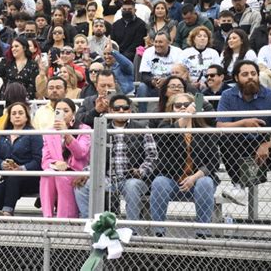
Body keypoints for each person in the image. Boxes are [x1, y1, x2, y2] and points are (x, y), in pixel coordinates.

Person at [74, 94, 157, 224]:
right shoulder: (101, 130)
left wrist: (140, 171)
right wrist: (87, 173)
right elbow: (94, 158)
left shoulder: (142, 128)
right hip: (108, 178)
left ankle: (132, 229)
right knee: (82, 186)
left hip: (134, 179)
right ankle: (90, 226)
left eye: (125, 108)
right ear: (110, 110)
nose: (121, 111)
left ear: (130, 110)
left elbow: (152, 156)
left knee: (132, 186)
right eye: (117, 108)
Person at [151, 92, 219, 238]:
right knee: (159, 182)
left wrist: (194, 177)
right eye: (178, 106)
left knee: (206, 182)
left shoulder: (204, 130)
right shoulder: (165, 126)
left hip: (197, 181)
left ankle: (202, 234)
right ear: (172, 109)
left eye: (186, 105)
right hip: (173, 180)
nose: (182, 107)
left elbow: (213, 162)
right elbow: (165, 138)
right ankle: (158, 233)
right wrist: (186, 116)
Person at [217, 60, 271, 207]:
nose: (250, 77)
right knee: (225, 138)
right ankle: (238, 187)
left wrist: (267, 144)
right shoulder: (227, 95)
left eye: (253, 74)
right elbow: (221, 125)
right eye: (245, 74)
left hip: (267, 146)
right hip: (240, 146)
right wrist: (243, 123)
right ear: (236, 78)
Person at [0, 102, 43, 216]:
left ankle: (7, 212)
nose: (17, 116)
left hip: (31, 178)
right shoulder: (4, 135)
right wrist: (2, 165)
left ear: (26, 116)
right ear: (9, 117)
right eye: (13, 113)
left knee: (14, 178)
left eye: (20, 113)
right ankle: (4, 211)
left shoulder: (34, 134)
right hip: (9, 179)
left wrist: (21, 168)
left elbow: (38, 160)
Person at [40, 98, 91, 218]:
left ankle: (66, 217)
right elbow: (45, 160)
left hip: (77, 171)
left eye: (66, 111)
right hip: (58, 170)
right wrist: (55, 164)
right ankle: (47, 216)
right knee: (47, 173)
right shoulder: (49, 132)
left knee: (61, 177)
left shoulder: (84, 129)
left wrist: (66, 133)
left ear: (73, 113)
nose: (62, 114)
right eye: (58, 111)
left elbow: (81, 153)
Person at [137, 31, 184, 112]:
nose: (157, 44)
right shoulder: (148, 52)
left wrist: (166, 81)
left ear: (169, 42)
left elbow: (181, 74)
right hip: (154, 86)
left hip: (172, 85)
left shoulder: (178, 52)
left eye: (160, 42)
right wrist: (153, 82)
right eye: (156, 42)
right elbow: (144, 76)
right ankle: (142, 116)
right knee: (142, 87)